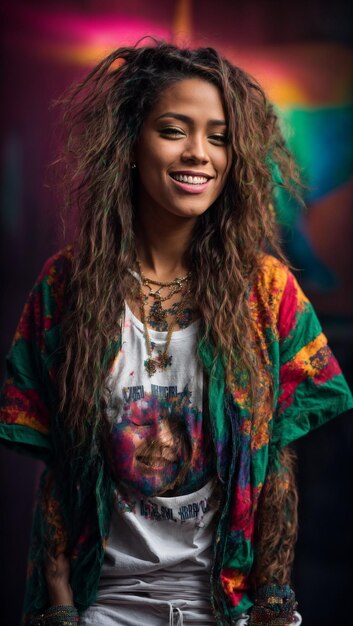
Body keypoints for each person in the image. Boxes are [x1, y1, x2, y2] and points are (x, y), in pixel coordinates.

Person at [0, 40, 352, 626]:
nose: (200, 154)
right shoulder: (66, 288)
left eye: (218, 136)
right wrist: (59, 607)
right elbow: (56, 467)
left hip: (223, 605)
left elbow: (280, 464)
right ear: (131, 144)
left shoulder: (268, 293)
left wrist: (271, 601)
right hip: (100, 605)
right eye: (174, 130)